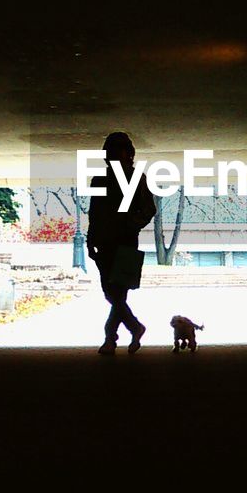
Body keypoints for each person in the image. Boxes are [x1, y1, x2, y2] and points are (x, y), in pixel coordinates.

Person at [86, 131, 157, 354]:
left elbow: (148, 209)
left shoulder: (137, 178)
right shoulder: (99, 180)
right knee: (111, 293)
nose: (117, 154)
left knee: (118, 294)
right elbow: (94, 213)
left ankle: (111, 338)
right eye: (113, 150)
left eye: (121, 150)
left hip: (126, 242)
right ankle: (134, 328)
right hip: (105, 244)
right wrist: (90, 240)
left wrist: (130, 223)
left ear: (129, 154)